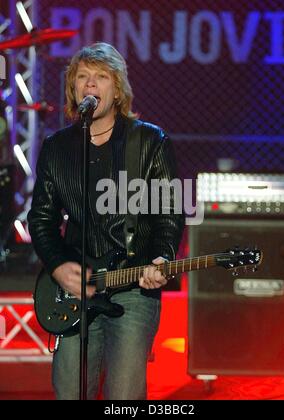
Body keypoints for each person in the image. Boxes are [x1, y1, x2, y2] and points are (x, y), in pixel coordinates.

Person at [28, 42, 185, 400]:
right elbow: (41, 219)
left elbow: (169, 212)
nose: (90, 85)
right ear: (73, 88)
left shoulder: (150, 141)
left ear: (117, 90)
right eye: (82, 77)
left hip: (132, 285)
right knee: (69, 390)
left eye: (101, 77)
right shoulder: (58, 147)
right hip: (75, 289)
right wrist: (56, 265)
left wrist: (161, 256)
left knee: (124, 395)